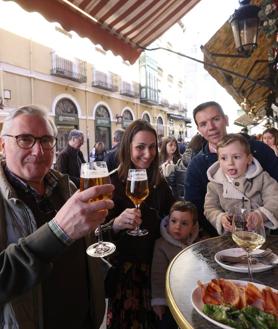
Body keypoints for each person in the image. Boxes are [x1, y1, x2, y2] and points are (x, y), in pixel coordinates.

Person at [0, 105, 114, 329]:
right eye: (25, 139)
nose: (38, 151)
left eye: (45, 140)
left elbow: (82, 240)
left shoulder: (67, 187)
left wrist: (114, 228)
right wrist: (56, 232)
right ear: (3, 145)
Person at [103, 119, 175, 329]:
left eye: (152, 147)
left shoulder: (158, 182)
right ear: (127, 148)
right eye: (140, 147)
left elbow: (173, 209)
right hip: (125, 273)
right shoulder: (111, 182)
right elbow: (95, 234)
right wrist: (116, 224)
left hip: (156, 269)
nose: (148, 153)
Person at [185, 101, 278, 236]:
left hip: (267, 237)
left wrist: (262, 217)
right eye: (203, 124)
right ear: (199, 129)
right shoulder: (197, 166)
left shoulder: (259, 150)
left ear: (226, 120)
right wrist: (221, 223)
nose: (211, 127)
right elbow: (196, 208)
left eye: (215, 119)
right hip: (223, 240)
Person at [204, 134, 278, 235]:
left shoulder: (262, 178)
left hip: (259, 236)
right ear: (219, 161)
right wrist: (220, 218)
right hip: (230, 237)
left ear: (249, 159)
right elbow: (210, 208)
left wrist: (260, 215)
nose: (230, 163)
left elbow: (275, 199)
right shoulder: (214, 184)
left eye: (236, 157)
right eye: (223, 158)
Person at [151, 201, 199, 329]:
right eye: (174, 221)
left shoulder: (198, 243)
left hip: (193, 296)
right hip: (170, 299)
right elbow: (158, 275)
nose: (177, 227)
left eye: (184, 223)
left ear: (193, 227)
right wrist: (159, 300)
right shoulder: (161, 245)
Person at [166, 133, 205, 200]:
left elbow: (174, 185)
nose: (173, 147)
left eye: (175, 145)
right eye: (170, 145)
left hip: (180, 204)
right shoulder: (200, 163)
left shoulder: (180, 161)